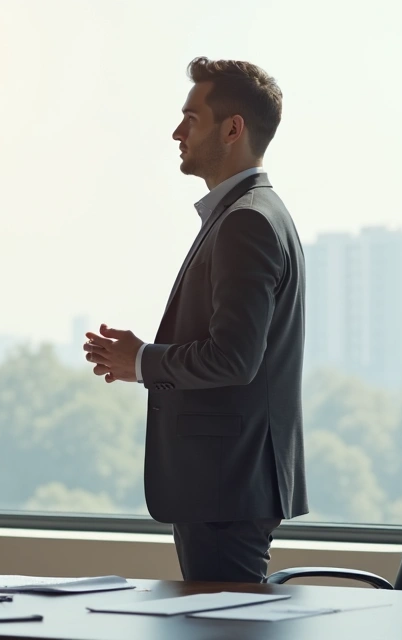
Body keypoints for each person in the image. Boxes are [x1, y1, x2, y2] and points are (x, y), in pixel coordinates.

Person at [82, 57, 307, 583]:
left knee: (223, 628)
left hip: (225, 485)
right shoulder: (251, 213)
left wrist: (140, 360)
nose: (177, 132)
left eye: (191, 117)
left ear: (233, 129)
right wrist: (137, 359)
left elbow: (234, 357)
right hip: (230, 483)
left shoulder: (246, 220)